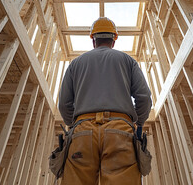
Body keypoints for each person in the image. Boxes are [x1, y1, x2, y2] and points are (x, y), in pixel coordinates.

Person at [58, 17, 152, 185]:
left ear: (93, 40)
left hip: (83, 132)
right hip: (120, 130)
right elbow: (143, 98)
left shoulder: (75, 64)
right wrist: (138, 122)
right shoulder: (128, 61)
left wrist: (74, 125)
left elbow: (64, 104)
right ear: (113, 40)